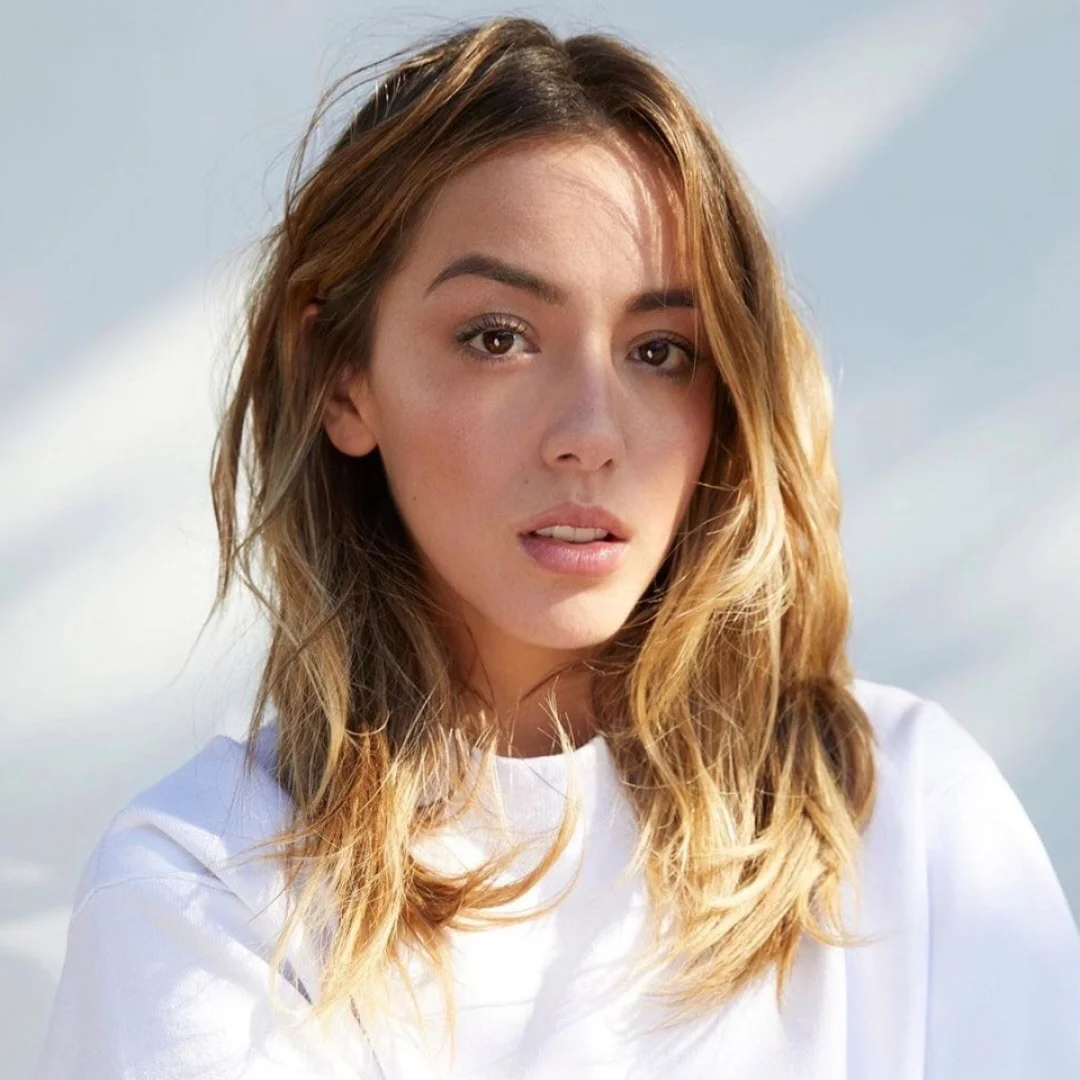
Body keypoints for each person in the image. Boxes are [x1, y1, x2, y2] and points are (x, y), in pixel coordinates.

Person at [35, 15, 1080, 1079]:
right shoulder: (203, 892)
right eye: (499, 338)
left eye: (660, 350)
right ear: (340, 378)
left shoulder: (906, 820)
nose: (590, 431)